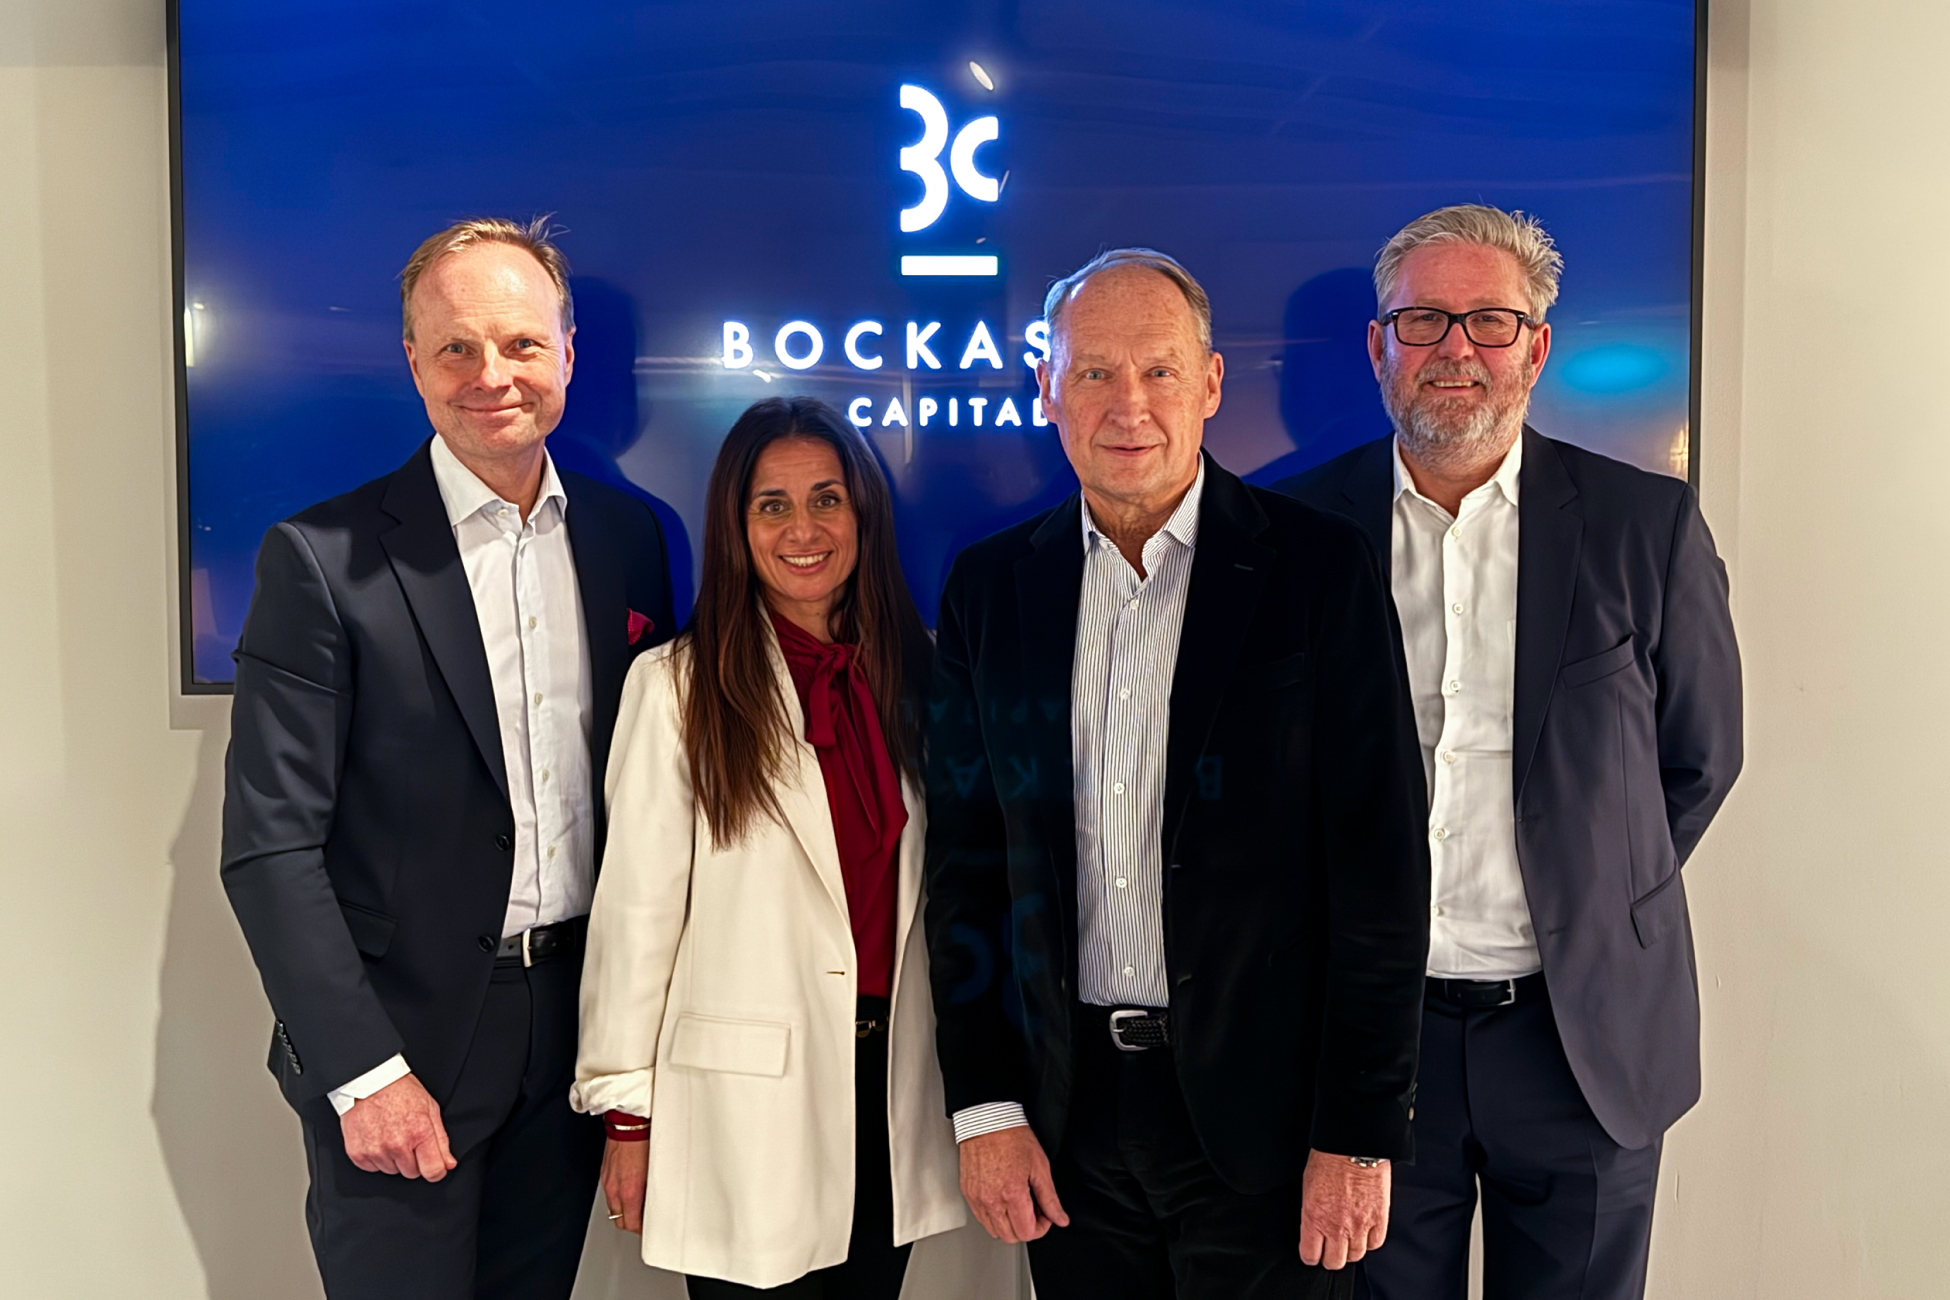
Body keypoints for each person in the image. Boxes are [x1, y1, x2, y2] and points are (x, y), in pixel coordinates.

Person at [924, 248, 1433, 1299]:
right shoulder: (989, 587)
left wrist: (1357, 1128)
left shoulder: (1318, 568)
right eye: (1094, 372)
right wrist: (986, 1106)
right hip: (1068, 1122)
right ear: (1047, 388)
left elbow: (1381, 869)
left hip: (1269, 1126)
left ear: (1209, 383)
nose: (1129, 406)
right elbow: (966, 867)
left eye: (1159, 370)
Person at [1278, 204, 1744, 1300]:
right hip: (1371, 1044)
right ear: (1379, 346)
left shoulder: (1646, 526)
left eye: (1490, 320)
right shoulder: (1293, 532)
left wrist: (1589, 889)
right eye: (1424, 320)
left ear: (1536, 348)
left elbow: (1697, 760)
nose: (1457, 349)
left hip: (1580, 1042)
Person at [220, 217, 675, 1300]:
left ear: (568, 353)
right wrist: (363, 1071)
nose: (492, 376)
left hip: (569, 1031)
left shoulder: (631, 537)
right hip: (402, 1043)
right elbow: (269, 848)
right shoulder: (320, 559)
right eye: (457, 347)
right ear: (413, 361)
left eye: (521, 344)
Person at [574, 397, 973, 1296]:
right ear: (736, 525)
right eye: (772, 505)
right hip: (743, 1107)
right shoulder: (675, 687)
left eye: (827, 499)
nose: (804, 529)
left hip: (891, 1085)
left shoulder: (921, 676)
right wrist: (625, 1116)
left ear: (863, 513)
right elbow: (636, 918)